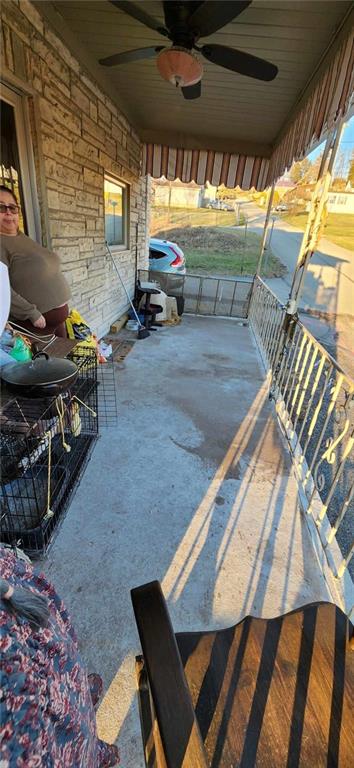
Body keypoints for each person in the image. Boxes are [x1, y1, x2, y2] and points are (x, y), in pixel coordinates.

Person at [0, 545, 120, 767]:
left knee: (67, 679)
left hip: (17, 623)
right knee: (64, 746)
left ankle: (80, 706)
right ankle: (92, 753)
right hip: (20, 730)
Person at [0, 185, 71, 338]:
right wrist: (31, 313)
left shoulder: (21, 237)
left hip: (55, 322)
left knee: (67, 354)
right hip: (35, 325)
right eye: (1, 207)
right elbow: (1, 289)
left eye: (12, 208)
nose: (8, 212)